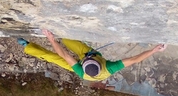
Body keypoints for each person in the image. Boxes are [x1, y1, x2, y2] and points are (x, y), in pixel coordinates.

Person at [17, 29, 167, 81]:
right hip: (90, 54)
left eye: (85, 61)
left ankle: (28, 46)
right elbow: (134, 60)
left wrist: (51, 40)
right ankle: (60, 34)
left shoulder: (81, 71)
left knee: (53, 58)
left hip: (84, 65)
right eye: (86, 61)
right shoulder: (110, 67)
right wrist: (154, 50)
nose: (84, 61)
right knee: (70, 41)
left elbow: (63, 55)